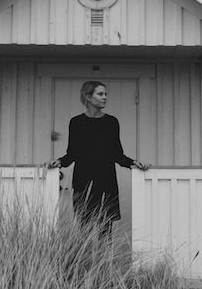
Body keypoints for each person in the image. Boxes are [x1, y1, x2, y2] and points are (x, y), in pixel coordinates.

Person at [48, 81, 150, 234]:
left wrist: (134, 163)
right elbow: (72, 153)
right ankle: (86, 259)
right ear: (88, 97)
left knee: (105, 231)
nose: (105, 98)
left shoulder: (111, 122)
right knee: (84, 230)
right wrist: (60, 162)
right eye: (100, 94)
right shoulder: (77, 123)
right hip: (83, 183)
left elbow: (117, 155)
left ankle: (104, 259)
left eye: (105, 94)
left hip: (106, 183)